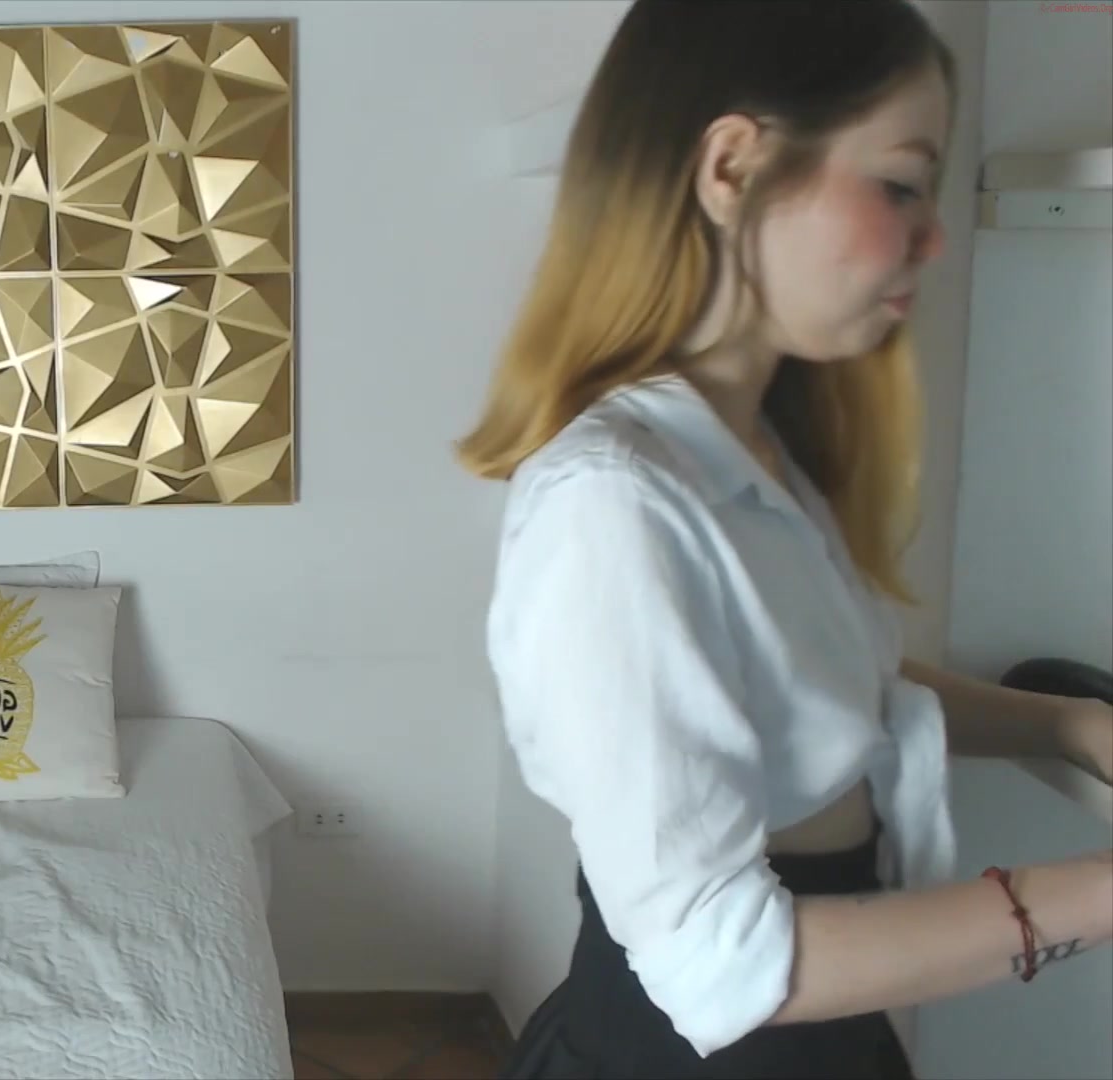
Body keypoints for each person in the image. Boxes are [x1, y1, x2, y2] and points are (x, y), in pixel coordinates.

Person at [458, 2, 1113, 1077]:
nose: (934, 238)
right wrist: (1096, 893)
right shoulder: (613, 506)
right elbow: (723, 962)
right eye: (899, 184)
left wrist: (1068, 724)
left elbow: (830, 685)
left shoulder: (754, 451)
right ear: (732, 167)